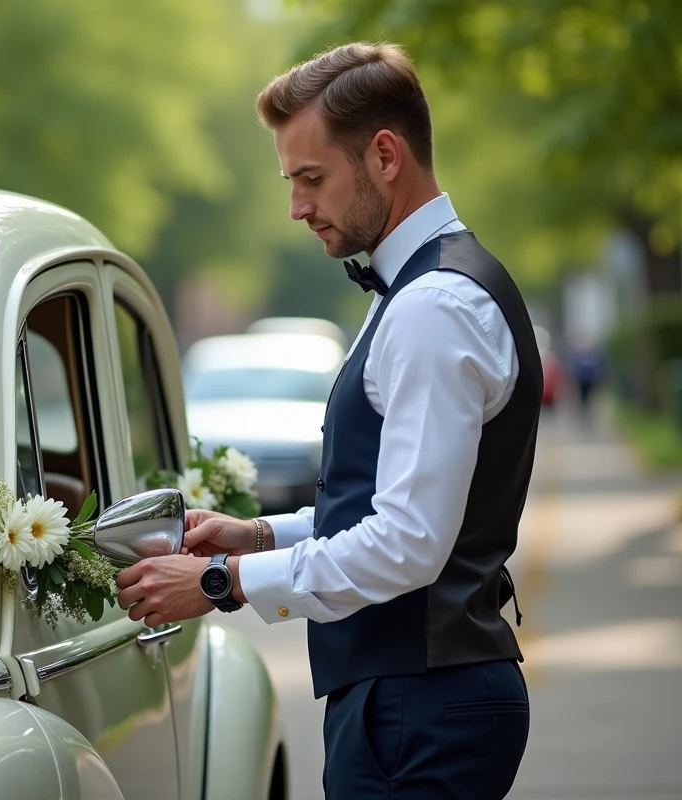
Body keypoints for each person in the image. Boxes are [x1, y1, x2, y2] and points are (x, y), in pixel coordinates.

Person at [115, 42, 543, 799]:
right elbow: (386, 507)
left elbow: (410, 542)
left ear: (384, 155)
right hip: (417, 695)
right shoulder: (415, 291)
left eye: (311, 179)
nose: (297, 207)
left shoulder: (433, 307)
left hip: (424, 702)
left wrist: (223, 581)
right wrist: (257, 535)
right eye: (291, 182)